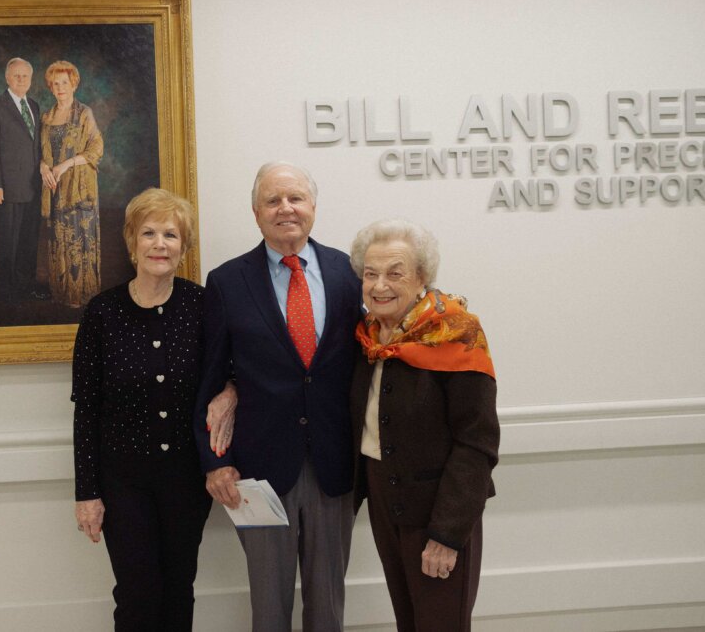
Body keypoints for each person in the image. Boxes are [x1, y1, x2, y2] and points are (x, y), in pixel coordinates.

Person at [195, 161, 363, 632]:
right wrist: (214, 460)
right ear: (255, 212)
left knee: (328, 604)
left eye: (295, 198)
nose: (285, 208)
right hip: (259, 471)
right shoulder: (227, 281)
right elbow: (208, 380)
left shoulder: (349, 272)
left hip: (335, 465)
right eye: (273, 200)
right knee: (268, 609)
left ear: (312, 207)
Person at [72, 188, 232, 632]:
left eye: (171, 234)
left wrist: (232, 391)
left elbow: (229, 372)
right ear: (132, 242)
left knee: (179, 588)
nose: (160, 243)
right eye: (149, 233)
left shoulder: (202, 306)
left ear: (183, 248)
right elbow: (86, 409)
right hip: (123, 482)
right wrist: (87, 492)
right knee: (137, 594)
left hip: (185, 479)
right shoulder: (102, 313)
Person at [348, 219, 499, 631]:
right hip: (384, 500)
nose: (380, 285)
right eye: (371, 274)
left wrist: (447, 535)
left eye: (395, 273)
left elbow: (477, 443)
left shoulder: (457, 334)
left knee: (441, 624)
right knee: (410, 622)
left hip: (439, 509)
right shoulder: (368, 336)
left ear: (422, 280)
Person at [0, 57, 45, 299]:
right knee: (9, 240)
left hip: (32, 187)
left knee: (29, 239)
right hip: (7, 187)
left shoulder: (35, 106)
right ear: (7, 78)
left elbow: (36, 146)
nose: (21, 80)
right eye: (16, 75)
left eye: (25, 76)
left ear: (30, 79)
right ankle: (8, 290)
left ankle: (27, 285)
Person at [39, 60, 103, 308]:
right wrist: (44, 167)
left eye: (64, 82)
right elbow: (42, 153)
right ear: (50, 87)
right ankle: (61, 292)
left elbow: (96, 148)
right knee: (59, 236)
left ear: (73, 84)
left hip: (79, 189)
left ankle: (81, 294)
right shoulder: (47, 117)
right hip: (55, 189)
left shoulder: (84, 113)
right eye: (55, 84)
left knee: (79, 236)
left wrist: (66, 165)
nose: (60, 87)